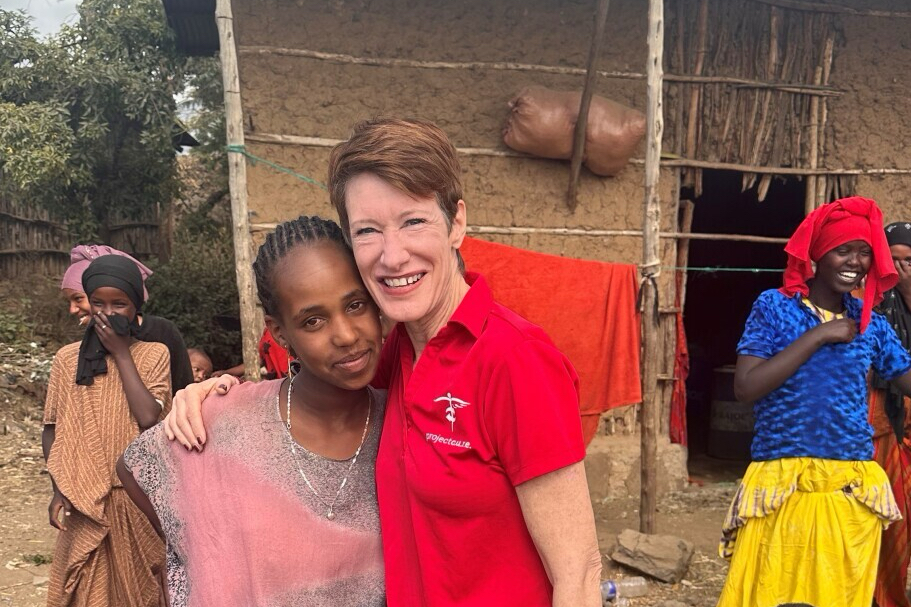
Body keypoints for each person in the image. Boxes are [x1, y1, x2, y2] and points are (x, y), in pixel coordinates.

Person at [165, 118, 602, 607]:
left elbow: (580, 575)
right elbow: (315, 388)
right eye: (368, 230)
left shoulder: (515, 361)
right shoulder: (398, 353)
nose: (393, 257)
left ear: (456, 223)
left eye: (413, 221)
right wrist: (212, 394)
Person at [117, 216, 386, 606]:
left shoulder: (405, 421)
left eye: (355, 304)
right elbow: (135, 467)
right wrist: (201, 549)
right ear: (279, 333)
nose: (346, 335)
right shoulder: (225, 422)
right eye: (313, 321)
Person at [716, 197, 911, 607]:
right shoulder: (774, 307)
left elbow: (904, 376)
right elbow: (746, 387)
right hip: (784, 481)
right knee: (774, 589)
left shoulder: (870, 323)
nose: (855, 262)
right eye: (843, 250)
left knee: (836, 593)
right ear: (818, 254)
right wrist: (819, 336)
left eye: (864, 252)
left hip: (848, 486)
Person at [43, 254, 170, 606]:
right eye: (98, 303)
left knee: (140, 592)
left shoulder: (154, 354)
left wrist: (121, 354)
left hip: (135, 499)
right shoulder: (67, 359)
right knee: (85, 592)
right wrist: (58, 488)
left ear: (136, 306)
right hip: (83, 499)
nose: (107, 312)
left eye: (119, 304)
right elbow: (52, 429)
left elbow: (149, 417)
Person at [61, 244, 195, 394]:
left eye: (78, 298)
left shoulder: (162, 333)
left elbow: (183, 390)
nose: (72, 309)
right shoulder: (85, 346)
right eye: (98, 303)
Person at [869, 221, 911, 607]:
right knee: (882, 516)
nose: (899, 269)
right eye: (892, 260)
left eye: (908, 261)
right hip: (881, 421)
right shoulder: (871, 301)